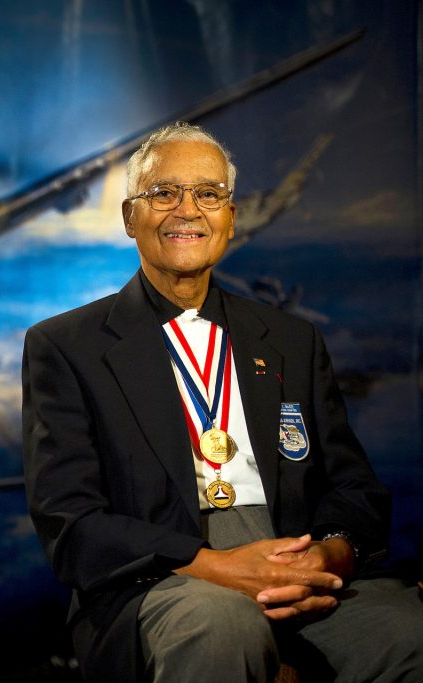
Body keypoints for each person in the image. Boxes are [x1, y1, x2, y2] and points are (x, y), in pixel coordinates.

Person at [21, 122, 423, 681]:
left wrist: (328, 557)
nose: (188, 210)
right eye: (163, 194)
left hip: (292, 555)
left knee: (407, 628)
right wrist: (217, 566)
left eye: (208, 194)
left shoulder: (291, 340)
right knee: (221, 625)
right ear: (130, 218)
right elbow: (73, 523)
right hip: (163, 577)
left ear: (231, 218)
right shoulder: (66, 347)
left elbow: (354, 488)